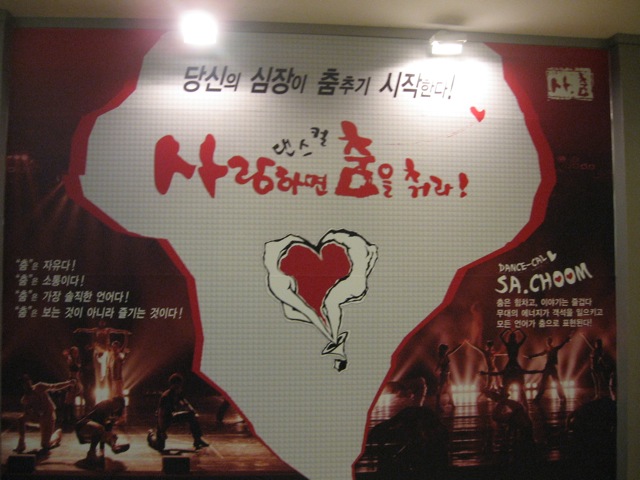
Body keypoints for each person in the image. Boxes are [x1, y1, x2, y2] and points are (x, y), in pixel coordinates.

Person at [147, 373, 209, 451]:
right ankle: (150, 436)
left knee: (191, 415)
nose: (179, 387)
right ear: (172, 385)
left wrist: (193, 412)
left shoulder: (178, 393)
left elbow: (185, 403)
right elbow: (161, 415)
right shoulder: (166, 397)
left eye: (180, 385)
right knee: (160, 446)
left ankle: (198, 439)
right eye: (177, 385)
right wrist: (162, 431)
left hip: (171, 415)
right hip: (164, 419)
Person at [14, 374, 75, 453]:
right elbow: (27, 413)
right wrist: (32, 412)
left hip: (48, 416)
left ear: (30, 382)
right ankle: (21, 443)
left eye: (27, 382)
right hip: (38, 417)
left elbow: (55, 386)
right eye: (24, 384)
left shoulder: (40, 386)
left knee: (45, 445)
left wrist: (68, 383)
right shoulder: (25, 399)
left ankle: (57, 434)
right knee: (21, 419)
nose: (26, 385)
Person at [75, 396, 129, 464]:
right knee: (101, 429)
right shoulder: (105, 404)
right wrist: (109, 436)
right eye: (117, 405)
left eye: (118, 407)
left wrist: (111, 441)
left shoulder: (111, 413)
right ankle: (91, 453)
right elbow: (101, 425)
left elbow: (105, 431)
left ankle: (113, 447)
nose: (117, 408)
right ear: (115, 402)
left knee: (106, 433)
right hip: (83, 425)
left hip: (94, 429)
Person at [527, 334, 572, 402]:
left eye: (548, 341)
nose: (547, 342)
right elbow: (540, 354)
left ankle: (562, 397)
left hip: (551, 367)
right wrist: (532, 356)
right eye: (547, 341)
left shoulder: (554, 349)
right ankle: (538, 398)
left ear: (550, 342)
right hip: (548, 367)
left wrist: (566, 340)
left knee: (554, 382)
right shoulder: (547, 350)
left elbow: (561, 345)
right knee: (544, 383)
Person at [435, 342, 464, 409]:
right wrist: (437, 368)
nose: (447, 350)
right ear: (443, 350)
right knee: (441, 389)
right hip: (444, 375)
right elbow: (439, 363)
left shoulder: (446, 355)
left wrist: (461, 344)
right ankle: (438, 404)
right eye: (446, 349)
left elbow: (453, 350)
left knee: (449, 388)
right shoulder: (442, 357)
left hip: (447, 375)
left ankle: (450, 401)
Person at [62, 346, 85, 427]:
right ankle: (66, 418)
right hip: (72, 380)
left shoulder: (76, 360)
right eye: (74, 352)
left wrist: (79, 382)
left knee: (72, 400)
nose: (76, 354)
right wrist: (67, 354)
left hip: (76, 380)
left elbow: (77, 373)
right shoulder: (71, 360)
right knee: (68, 399)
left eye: (77, 352)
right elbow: (66, 356)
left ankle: (71, 417)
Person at [580, 334, 608, 399]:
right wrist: (583, 337)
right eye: (595, 343)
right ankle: (597, 394)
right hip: (592, 367)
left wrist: (602, 362)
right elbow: (588, 342)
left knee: (599, 381)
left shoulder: (600, 351)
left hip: (597, 368)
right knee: (596, 382)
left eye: (597, 343)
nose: (596, 344)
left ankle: (599, 394)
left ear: (599, 344)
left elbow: (601, 359)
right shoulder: (594, 350)